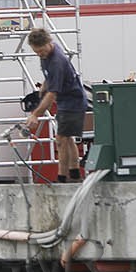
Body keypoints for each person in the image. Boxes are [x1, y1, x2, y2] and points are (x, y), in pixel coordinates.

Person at [23, 27, 88, 181]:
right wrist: (44, 86)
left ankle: (62, 177)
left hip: (73, 101)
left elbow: (53, 94)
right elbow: (49, 78)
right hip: (67, 101)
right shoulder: (46, 55)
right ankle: (74, 173)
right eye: (36, 52)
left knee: (60, 140)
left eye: (41, 51)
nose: (39, 55)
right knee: (67, 137)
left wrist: (35, 114)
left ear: (49, 43)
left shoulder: (57, 61)